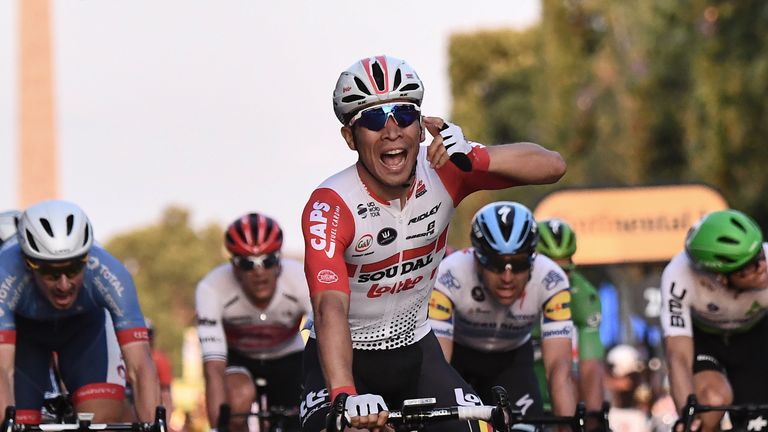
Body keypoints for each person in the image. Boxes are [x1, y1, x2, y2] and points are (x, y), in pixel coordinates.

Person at [300, 54, 566, 432]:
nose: (392, 131)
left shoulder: (447, 169)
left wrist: (474, 155)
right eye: (374, 120)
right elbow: (329, 306)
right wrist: (345, 394)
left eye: (404, 116)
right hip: (344, 357)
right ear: (350, 137)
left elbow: (553, 166)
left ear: (421, 129)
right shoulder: (331, 203)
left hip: (416, 351)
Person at [0, 200, 159, 423]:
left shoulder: (110, 273)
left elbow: (140, 365)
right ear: (29, 264)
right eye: (51, 273)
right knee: (15, 423)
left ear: (86, 258)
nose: (64, 285)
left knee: (101, 420)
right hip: (25, 336)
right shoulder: (4, 273)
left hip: (85, 330)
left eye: (73, 269)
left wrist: (154, 425)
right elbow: (2, 370)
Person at [428, 202, 577, 419]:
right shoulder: (450, 274)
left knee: (526, 426)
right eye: (497, 264)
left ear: (533, 259)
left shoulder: (551, 280)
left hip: (513, 361)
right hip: (459, 359)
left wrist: (568, 424)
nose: (507, 278)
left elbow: (559, 371)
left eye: (518, 264)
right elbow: (439, 366)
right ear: (477, 259)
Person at [196, 213, 311, 432]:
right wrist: (217, 427)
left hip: (289, 355)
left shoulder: (300, 279)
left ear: (279, 260)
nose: (259, 272)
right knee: (236, 399)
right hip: (239, 357)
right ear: (234, 266)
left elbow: (326, 335)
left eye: (268, 261)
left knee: (301, 417)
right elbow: (213, 368)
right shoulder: (212, 288)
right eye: (248, 263)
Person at [661, 209, 768, 432]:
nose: (762, 266)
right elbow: (677, 355)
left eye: (760, 253)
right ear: (721, 277)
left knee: (756, 422)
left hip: (754, 336)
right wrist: (687, 415)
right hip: (705, 339)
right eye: (750, 266)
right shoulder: (679, 276)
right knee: (709, 403)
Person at [534, 219, 605, 415]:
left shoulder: (583, 294)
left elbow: (590, 367)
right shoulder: (512, 288)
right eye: (550, 271)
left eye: (565, 271)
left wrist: (593, 417)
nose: (557, 280)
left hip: (558, 394)